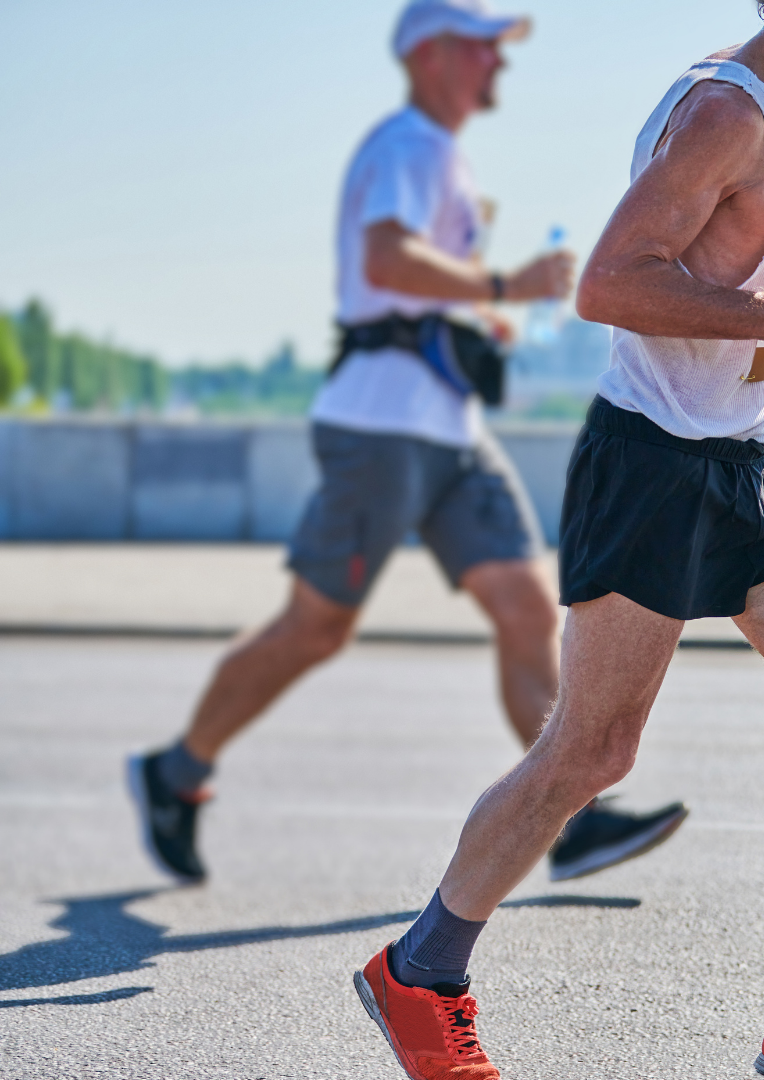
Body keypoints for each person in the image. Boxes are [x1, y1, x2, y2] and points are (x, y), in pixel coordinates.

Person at [352, 2, 764, 1078]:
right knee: (592, 750)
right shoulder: (731, 112)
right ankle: (419, 974)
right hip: (651, 468)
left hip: (742, 465)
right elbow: (612, 283)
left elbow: (727, 269)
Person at [127, 0, 688, 891]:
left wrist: (477, 318)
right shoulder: (407, 147)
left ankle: (569, 821)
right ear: (432, 55)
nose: (499, 66)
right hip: (381, 428)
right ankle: (176, 770)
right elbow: (387, 262)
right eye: (485, 49)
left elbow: (411, 285)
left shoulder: (444, 157)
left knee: (526, 609)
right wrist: (506, 282)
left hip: (448, 430)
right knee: (316, 629)